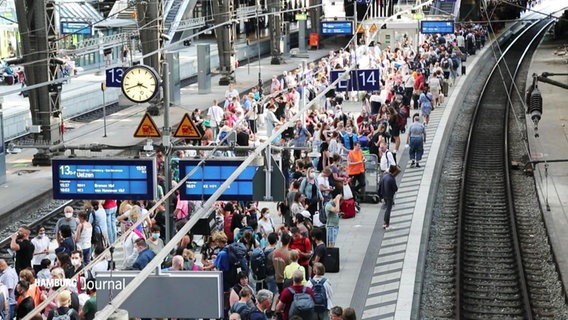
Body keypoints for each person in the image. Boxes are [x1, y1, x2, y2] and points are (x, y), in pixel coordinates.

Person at [380, 165, 400, 230]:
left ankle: (385, 222)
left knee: (387, 209)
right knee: (388, 209)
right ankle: (386, 224)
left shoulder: (385, 176)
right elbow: (395, 188)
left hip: (384, 194)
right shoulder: (391, 179)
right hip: (389, 195)